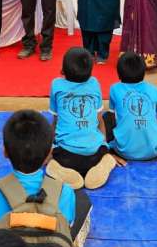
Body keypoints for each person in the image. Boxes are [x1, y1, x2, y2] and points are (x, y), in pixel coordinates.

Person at [0, 109, 92, 247]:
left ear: (5, 152)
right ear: (49, 154)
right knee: (81, 199)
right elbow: (66, 229)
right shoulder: (65, 192)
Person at [47, 47, 117, 190]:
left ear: (63, 70)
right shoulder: (94, 83)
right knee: (107, 125)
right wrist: (104, 146)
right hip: (95, 153)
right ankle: (104, 162)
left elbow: (55, 120)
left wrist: (49, 151)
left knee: (53, 157)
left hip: (65, 155)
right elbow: (99, 120)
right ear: (90, 71)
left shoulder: (56, 85)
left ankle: (59, 168)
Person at [103, 52, 157, 161]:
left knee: (105, 117)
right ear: (143, 72)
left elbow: (112, 117)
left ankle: (106, 146)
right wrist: (156, 120)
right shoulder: (153, 89)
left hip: (122, 151)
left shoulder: (114, 89)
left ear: (119, 74)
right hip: (153, 152)